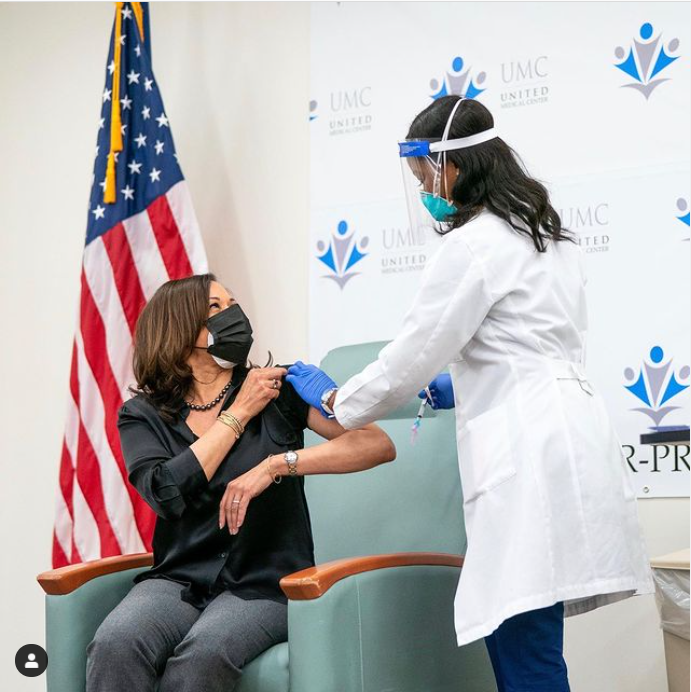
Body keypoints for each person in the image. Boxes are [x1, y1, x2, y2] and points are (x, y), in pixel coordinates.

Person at [286, 95, 655, 692]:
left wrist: (337, 402)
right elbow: (536, 345)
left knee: (522, 640)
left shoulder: (473, 246)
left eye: (425, 175)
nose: (427, 190)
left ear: (454, 165)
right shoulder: (547, 235)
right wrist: (467, 382)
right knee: (533, 634)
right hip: (566, 430)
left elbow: (409, 356)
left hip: (527, 448)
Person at [85, 273, 396, 692]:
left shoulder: (276, 389)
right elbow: (165, 492)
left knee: (202, 657)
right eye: (216, 307)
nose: (233, 314)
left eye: (232, 302)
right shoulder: (143, 415)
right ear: (180, 326)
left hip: (264, 583)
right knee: (114, 644)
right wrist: (238, 414)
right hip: (178, 579)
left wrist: (276, 465)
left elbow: (375, 444)